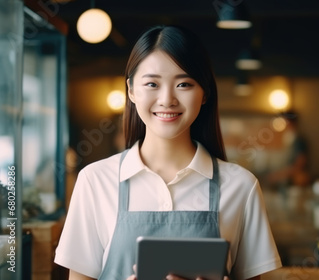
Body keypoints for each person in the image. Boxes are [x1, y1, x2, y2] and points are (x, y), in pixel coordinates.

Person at [54, 25, 282, 280]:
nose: (167, 99)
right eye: (152, 83)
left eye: (184, 84)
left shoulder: (241, 186)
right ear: (131, 90)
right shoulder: (95, 181)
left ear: (204, 92)